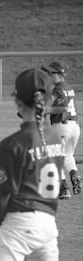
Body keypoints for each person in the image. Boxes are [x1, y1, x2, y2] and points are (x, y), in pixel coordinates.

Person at [0, 69, 74, 261]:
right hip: (48, 225)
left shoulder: (12, 144)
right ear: (49, 100)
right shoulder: (54, 138)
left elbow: (0, 197)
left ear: (18, 103)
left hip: (18, 225)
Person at [44, 60, 82, 199]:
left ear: (60, 74)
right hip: (75, 127)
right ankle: (75, 178)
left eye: (51, 72)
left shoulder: (58, 89)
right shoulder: (68, 87)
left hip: (61, 126)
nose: (48, 75)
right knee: (68, 154)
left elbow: (62, 106)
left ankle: (63, 189)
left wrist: (44, 111)